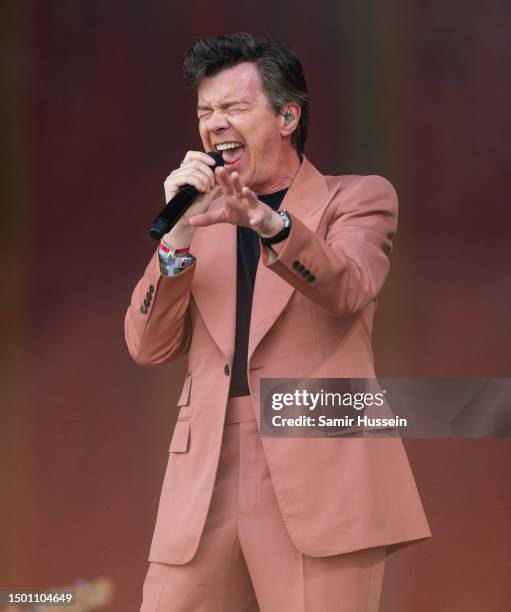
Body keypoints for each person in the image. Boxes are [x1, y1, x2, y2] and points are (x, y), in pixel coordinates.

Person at [125, 32, 431, 612]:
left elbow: (347, 286)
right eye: (205, 111)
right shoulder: (200, 218)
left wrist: (270, 223)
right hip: (205, 471)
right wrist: (179, 235)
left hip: (318, 465)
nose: (216, 123)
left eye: (235, 107)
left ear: (287, 115)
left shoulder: (356, 198)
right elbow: (147, 345)